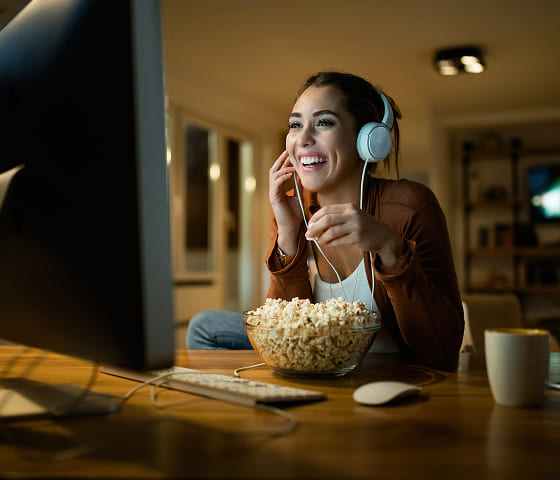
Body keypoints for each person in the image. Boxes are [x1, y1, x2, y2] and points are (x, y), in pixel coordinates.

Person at [186, 71, 464, 370]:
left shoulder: (409, 205)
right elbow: (285, 329)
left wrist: (390, 247)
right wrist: (288, 238)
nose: (303, 139)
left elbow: (442, 350)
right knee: (205, 326)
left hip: (385, 369)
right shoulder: (293, 209)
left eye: (324, 123)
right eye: (295, 125)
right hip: (314, 362)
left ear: (367, 139)